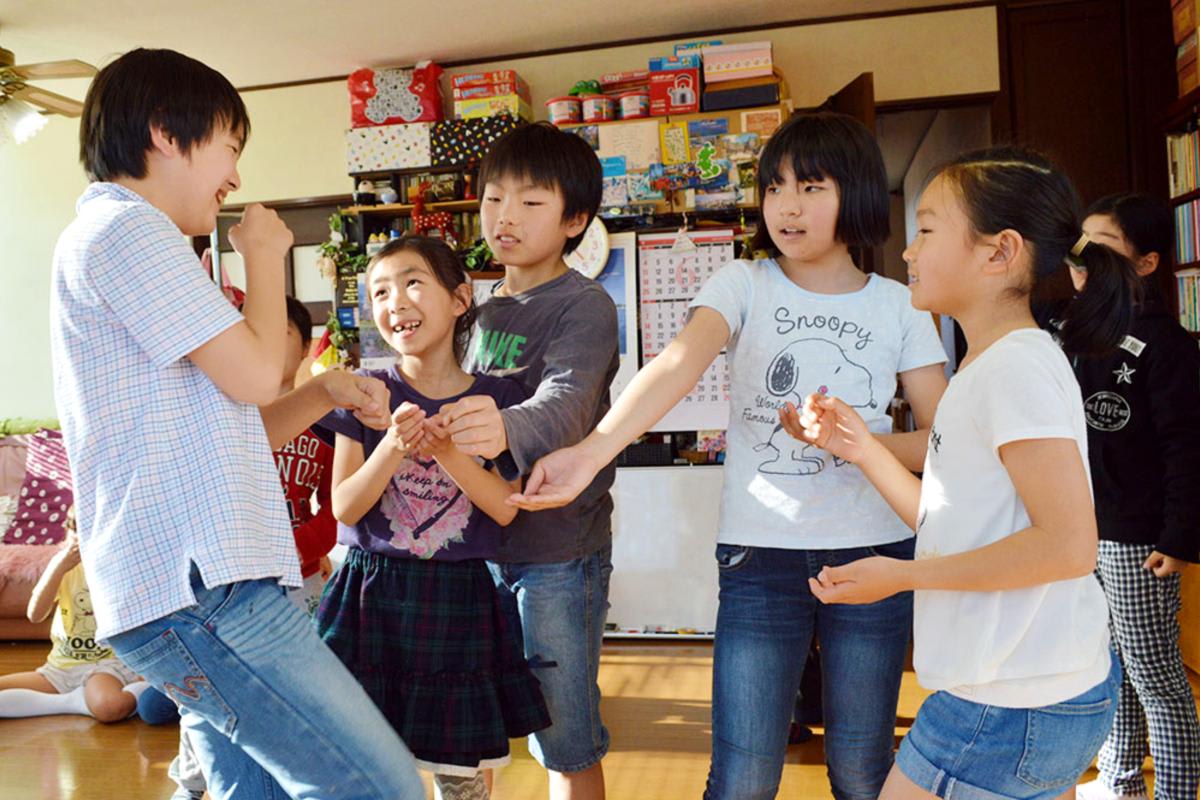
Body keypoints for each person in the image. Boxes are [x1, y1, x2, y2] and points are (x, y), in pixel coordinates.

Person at [508, 112, 949, 800]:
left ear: (858, 193)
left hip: (874, 554)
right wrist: (591, 452)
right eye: (775, 188)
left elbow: (942, 439)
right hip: (759, 556)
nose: (787, 207)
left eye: (810, 187)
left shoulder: (901, 305)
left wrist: (857, 445)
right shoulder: (742, 282)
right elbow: (677, 364)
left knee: (862, 771)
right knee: (742, 778)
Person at [49, 47, 423, 799]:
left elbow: (229, 430)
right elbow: (255, 375)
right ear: (166, 132)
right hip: (203, 590)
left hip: (191, 590)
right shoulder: (129, 230)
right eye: (230, 146)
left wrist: (324, 392)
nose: (236, 177)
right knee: (381, 789)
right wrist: (264, 255)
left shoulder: (123, 238)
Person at [781, 147, 1134, 799]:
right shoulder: (991, 365)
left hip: (1009, 703)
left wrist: (902, 576)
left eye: (926, 230)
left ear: (999, 252)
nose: (908, 251)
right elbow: (948, 521)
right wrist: (860, 448)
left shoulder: (1014, 368)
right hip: (1028, 691)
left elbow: (1068, 546)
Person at [316, 236, 550, 800]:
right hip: (369, 595)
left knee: (460, 774)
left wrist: (446, 452)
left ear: (460, 299)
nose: (395, 301)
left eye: (413, 283)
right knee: (360, 761)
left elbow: (504, 507)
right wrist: (393, 446)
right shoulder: (365, 392)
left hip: (460, 599)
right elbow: (344, 506)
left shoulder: (500, 398)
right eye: (379, 292)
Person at [435, 122, 619, 800]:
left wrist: (498, 426)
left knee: (563, 735)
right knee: (467, 727)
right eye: (493, 199)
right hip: (476, 548)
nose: (505, 216)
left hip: (556, 554)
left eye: (531, 201)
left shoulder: (585, 305)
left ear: (575, 220)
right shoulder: (480, 311)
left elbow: (567, 405)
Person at [1066, 194, 1200, 800]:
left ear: (1146, 264)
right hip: (1083, 530)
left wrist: (1178, 536)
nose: (1084, 259)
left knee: (1155, 674)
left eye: (1103, 247)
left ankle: (1175, 792)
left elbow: (1186, 446)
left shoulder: (1166, 344)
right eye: (1081, 246)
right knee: (1108, 664)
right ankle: (1120, 782)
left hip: (1137, 538)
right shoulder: (1075, 333)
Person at [0, 519, 147, 722]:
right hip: (61, 668)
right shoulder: (61, 566)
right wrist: (59, 567)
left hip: (106, 666)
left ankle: (81, 701)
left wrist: (144, 670)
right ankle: (75, 701)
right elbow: (35, 615)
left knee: (109, 707)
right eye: (75, 530)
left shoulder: (123, 566)